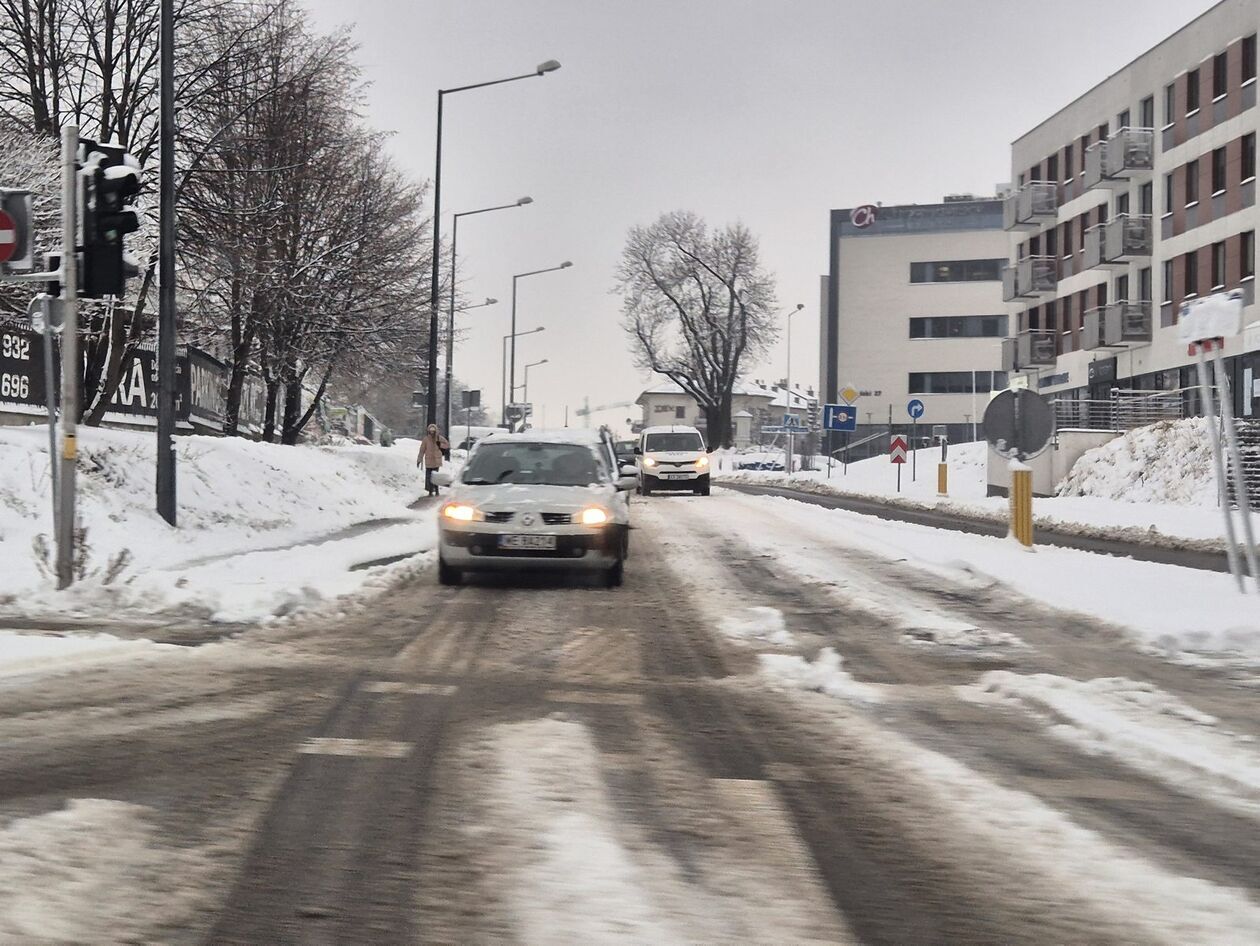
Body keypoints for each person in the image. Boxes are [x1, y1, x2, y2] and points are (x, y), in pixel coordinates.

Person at [418, 423, 450, 496]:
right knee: (429, 476)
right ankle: (430, 491)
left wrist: (440, 445)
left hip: (436, 461)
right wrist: (419, 459)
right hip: (429, 460)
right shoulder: (426, 439)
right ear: (428, 431)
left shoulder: (439, 438)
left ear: (436, 431)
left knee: (435, 477)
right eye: (430, 431)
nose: (432, 432)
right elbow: (422, 450)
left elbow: (447, 445)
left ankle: (436, 490)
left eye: (433, 431)